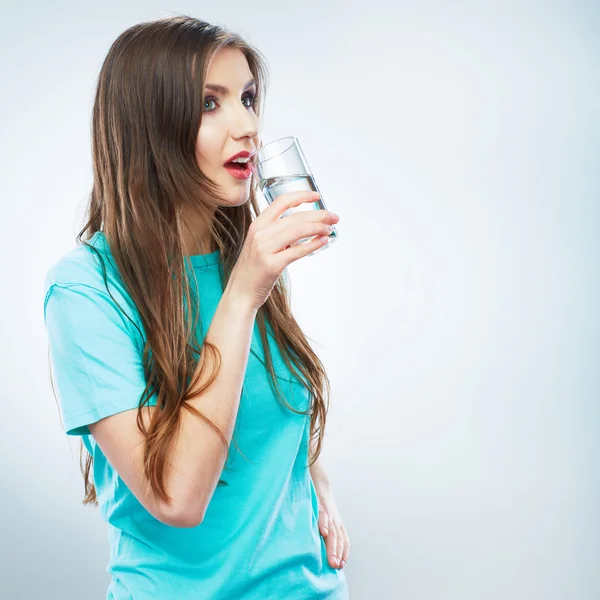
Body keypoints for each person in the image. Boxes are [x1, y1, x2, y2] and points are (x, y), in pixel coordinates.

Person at [42, 15, 349, 600]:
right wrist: (241, 296)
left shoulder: (245, 259)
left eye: (248, 98)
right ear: (148, 126)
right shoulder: (85, 291)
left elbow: (269, 400)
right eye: (210, 104)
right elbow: (176, 497)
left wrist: (316, 481)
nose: (247, 126)